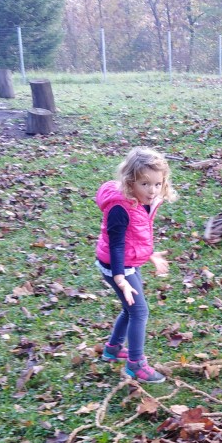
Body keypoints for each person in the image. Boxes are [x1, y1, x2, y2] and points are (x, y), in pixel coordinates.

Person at [94, 147, 177, 383]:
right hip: (116, 265)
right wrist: (120, 279)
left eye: (157, 184)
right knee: (139, 312)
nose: (152, 191)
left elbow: (136, 236)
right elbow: (116, 245)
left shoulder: (143, 201)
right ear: (130, 182)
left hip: (128, 262)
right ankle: (136, 364)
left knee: (130, 309)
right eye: (145, 184)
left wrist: (150, 255)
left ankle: (112, 349)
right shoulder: (120, 208)